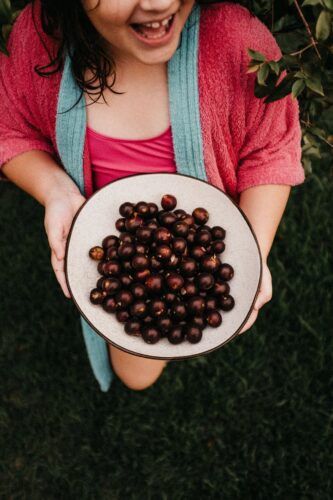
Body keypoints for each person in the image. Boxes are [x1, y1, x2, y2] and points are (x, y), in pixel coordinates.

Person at [0, 0, 305, 392]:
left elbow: (271, 148)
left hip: (195, 249)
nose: (158, 3)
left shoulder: (235, 41)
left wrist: (251, 249)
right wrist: (55, 189)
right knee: (136, 371)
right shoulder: (42, 39)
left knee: (154, 351)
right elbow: (12, 130)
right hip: (116, 254)